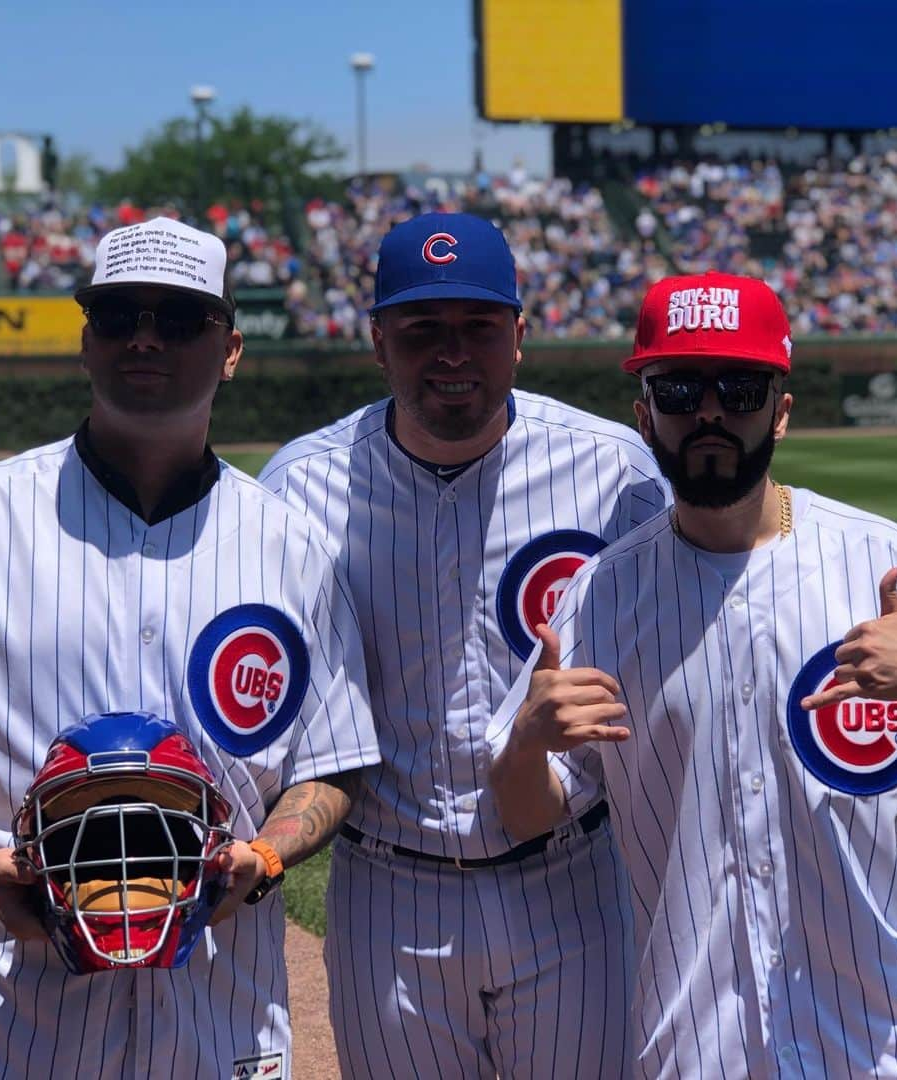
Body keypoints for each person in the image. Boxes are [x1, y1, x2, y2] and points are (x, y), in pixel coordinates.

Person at [0, 217, 380, 1079]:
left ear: (230, 348)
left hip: (218, 1022)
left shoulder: (294, 546)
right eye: (119, 316)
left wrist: (266, 857)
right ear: (87, 341)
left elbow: (337, 760)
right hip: (2, 1027)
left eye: (181, 319)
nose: (146, 337)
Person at [488, 270, 897, 1077]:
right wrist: (526, 745)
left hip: (895, 1049)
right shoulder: (598, 598)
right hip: (696, 1053)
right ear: (645, 415)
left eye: (740, 387)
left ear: (780, 409)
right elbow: (526, 815)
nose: (709, 411)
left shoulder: (880, 566)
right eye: (679, 387)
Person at [259, 211, 669, 1078]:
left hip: (573, 881)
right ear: (378, 341)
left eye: (478, 327)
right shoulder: (301, 484)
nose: (452, 351)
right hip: (386, 890)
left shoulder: (616, 468)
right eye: (422, 329)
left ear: (518, 336)